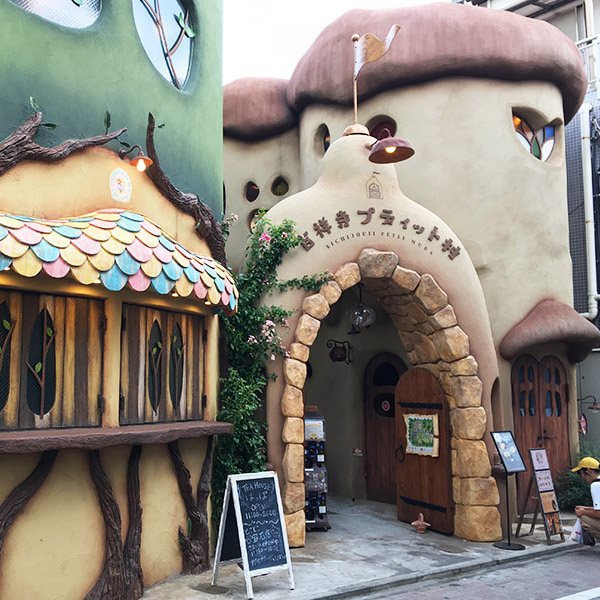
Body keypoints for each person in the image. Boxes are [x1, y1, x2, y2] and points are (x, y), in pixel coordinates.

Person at [572, 456, 600, 546]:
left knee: (584, 520)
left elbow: (599, 513)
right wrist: (585, 508)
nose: (582, 478)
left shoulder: (596, 485)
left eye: (581, 474)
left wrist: (583, 512)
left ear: (588, 471)